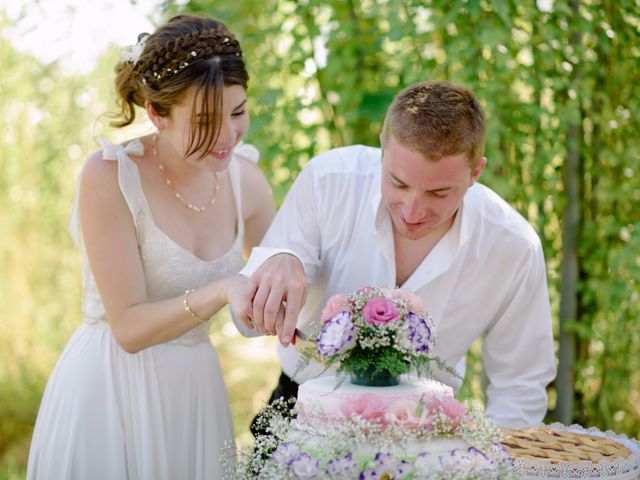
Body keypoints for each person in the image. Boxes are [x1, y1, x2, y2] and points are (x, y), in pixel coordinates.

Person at [26, 14, 273, 479]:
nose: (227, 136)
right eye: (204, 120)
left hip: (194, 391)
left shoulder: (249, 184)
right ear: (157, 114)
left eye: (238, 113)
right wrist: (223, 288)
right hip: (110, 390)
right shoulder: (109, 175)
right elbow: (128, 328)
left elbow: (281, 284)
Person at [237, 80, 556, 429]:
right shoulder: (327, 182)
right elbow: (245, 325)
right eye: (399, 183)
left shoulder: (513, 247)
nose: (412, 211)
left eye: (438, 193)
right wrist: (273, 269)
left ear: (475, 173)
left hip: (425, 430)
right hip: (302, 412)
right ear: (383, 149)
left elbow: (520, 388)